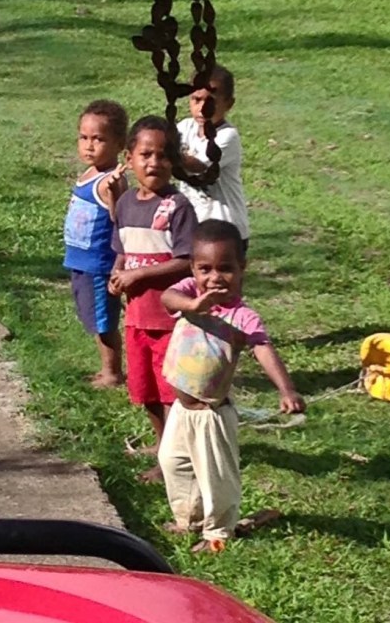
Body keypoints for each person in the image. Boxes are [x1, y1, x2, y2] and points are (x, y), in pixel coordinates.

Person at [159, 219, 305, 551]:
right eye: (205, 269)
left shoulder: (242, 316)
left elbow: (263, 349)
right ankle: (189, 518)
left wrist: (286, 389)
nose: (214, 277)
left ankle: (218, 534)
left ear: (242, 268)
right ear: (193, 269)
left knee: (217, 478)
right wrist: (194, 306)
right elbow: (168, 298)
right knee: (173, 462)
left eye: (225, 268)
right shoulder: (189, 292)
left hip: (211, 414)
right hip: (181, 409)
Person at [109, 115, 198, 482]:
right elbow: (122, 250)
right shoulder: (126, 204)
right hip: (136, 317)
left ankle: (175, 459)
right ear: (128, 158)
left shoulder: (178, 207)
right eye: (146, 154)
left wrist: (138, 276)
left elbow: (187, 260)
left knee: (169, 392)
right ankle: (163, 447)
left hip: (168, 320)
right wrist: (117, 274)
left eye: (163, 155)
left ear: (173, 161)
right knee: (145, 390)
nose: (154, 163)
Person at [63, 100, 129, 389]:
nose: (89, 145)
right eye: (84, 137)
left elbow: (119, 217)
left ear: (119, 144)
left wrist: (114, 192)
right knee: (91, 315)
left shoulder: (111, 180)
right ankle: (106, 369)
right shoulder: (89, 174)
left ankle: (112, 372)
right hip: (81, 261)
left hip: (99, 263)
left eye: (99, 139)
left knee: (104, 322)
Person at [177, 65, 250, 253]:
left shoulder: (227, 136)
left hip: (227, 231)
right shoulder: (185, 127)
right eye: (196, 99)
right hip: (196, 228)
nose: (202, 108)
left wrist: (167, 151)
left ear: (228, 104)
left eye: (211, 101)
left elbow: (198, 166)